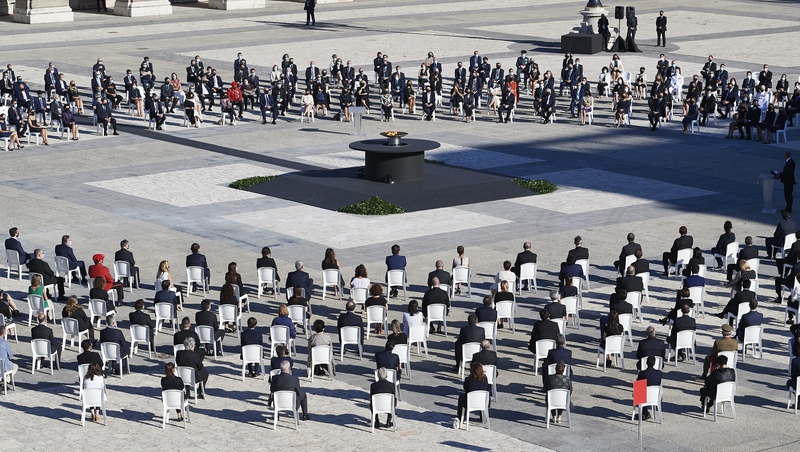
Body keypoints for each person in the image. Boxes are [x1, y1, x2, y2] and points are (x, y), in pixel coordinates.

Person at [454, 361, 489, 428]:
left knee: (461, 396)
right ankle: (483, 418)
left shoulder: (468, 380)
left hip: (470, 403)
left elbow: (465, 388)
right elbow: (487, 388)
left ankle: (460, 416)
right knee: (480, 394)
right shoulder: (485, 379)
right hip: (483, 402)